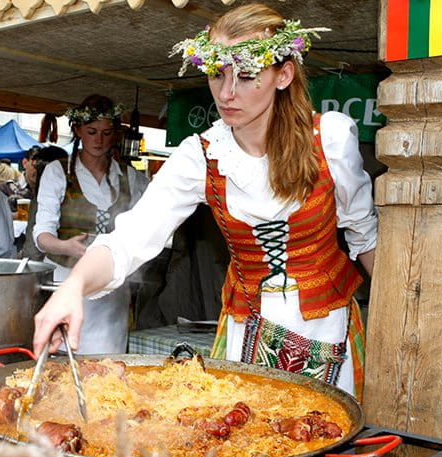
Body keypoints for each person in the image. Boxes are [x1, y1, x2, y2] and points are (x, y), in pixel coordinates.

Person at [33, 4, 377, 398]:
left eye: (247, 76)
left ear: (283, 74)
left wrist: (401, 319)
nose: (227, 93)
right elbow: (129, 239)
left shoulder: (330, 140)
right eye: (217, 74)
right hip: (247, 331)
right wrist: (73, 286)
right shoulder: (201, 156)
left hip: (325, 326)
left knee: (323, 439)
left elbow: (364, 238)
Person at [32, 95, 149, 354]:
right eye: (92, 132)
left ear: (116, 134)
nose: (99, 140)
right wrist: (65, 246)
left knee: (106, 362)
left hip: (111, 289)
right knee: (63, 359)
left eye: (107, 133)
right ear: (78, 131)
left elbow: (144, 229)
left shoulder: (131, 177)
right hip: (64, 280)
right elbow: (41, 234)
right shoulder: (58, 171)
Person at [20, 145, 67, 261]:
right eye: (34, 165)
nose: (36, 172)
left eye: (39, 167)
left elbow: (33, 250)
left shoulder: (44, 199)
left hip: (47, 265)